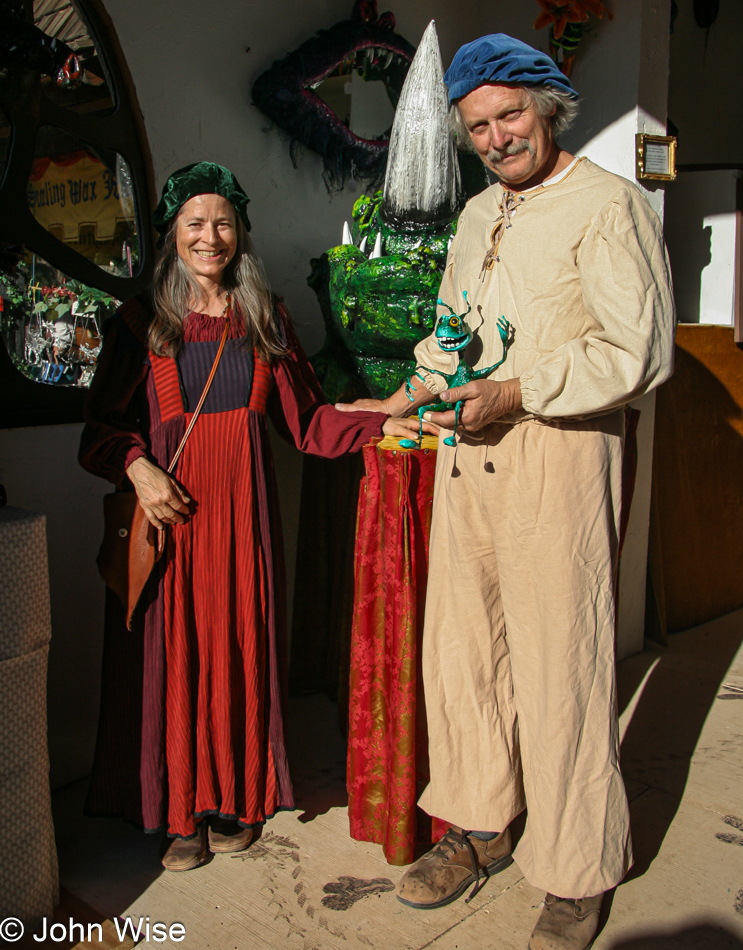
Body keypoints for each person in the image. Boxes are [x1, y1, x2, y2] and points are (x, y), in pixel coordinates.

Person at [337, 34, 675, 950]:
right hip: (465, 460)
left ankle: (575, 869)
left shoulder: (607, 207)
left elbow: (636, 350)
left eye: (509, 116)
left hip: (556, 460)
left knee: (561, 663)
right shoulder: (480, 213)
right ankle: (480, 826)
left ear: (548, 108)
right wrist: (399, 397)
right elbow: (451, 336)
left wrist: (518, 391)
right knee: (464, 653)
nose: (494, 138)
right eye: (477, 126)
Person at [79, 162, 424, 872]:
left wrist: (385, 415)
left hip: (244, 519)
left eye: (223, 222)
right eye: (195, 224)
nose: (211, 238)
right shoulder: (139, 322)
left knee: (238, 646)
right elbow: (98, 434)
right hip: (171, 522)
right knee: (176, 658)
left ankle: (235, 796)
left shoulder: (264, 315)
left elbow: (306, 424)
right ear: (171, 233)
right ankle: (180, 812)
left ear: (240, 231)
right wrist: (140, 469)